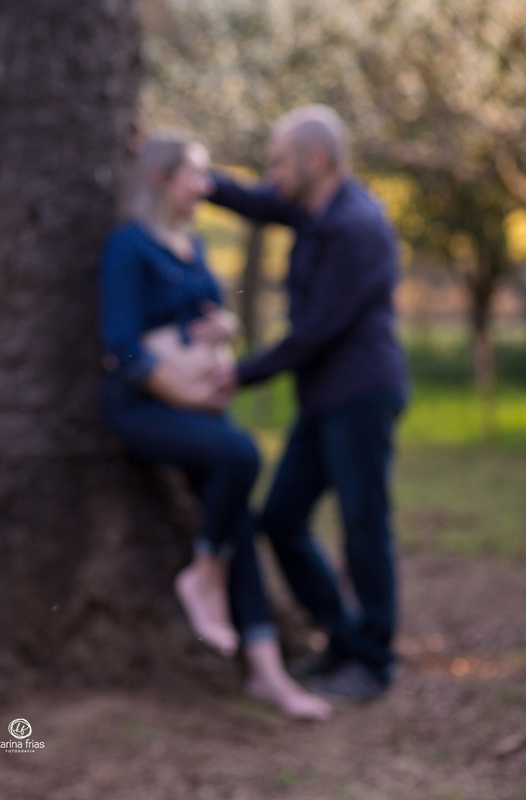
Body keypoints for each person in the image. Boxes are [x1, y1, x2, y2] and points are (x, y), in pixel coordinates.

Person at [99, 131, 332, 720]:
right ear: (160, 179)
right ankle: (202, 576)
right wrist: (191, 393)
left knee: (239, 530)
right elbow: (121, 349)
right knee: (242, 456)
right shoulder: (129, 247)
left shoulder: (190, 243)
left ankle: (268, 674)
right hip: (146, 409)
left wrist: (224, 328)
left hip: (196, 406)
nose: (207, 187)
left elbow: (203, 313)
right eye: (195, 176)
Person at [208, 105, 409, 701]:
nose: (271, 175)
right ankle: (343, 638)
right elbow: (261, 202)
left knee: (362, 522)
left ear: (314, 161)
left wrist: (238, 375)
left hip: (361, 396)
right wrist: (200, 179)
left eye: (278, 161)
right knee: (282, 520)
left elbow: (317, 330)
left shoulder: (356, 226)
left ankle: (373, 661)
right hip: (325, 398)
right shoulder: (313, 209)